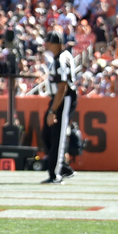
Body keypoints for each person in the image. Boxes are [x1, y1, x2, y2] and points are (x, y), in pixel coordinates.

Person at [40, 31, 77, 184]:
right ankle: (63, 167)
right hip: (58, 98)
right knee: (47, 133)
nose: (47, 45)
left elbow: (63, 88)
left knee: (57, 135)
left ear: (56, 44)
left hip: (63, 98)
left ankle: (56, 174)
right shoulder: (61, 57)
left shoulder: (61, 59)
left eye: (49, 42)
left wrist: (53, 111)